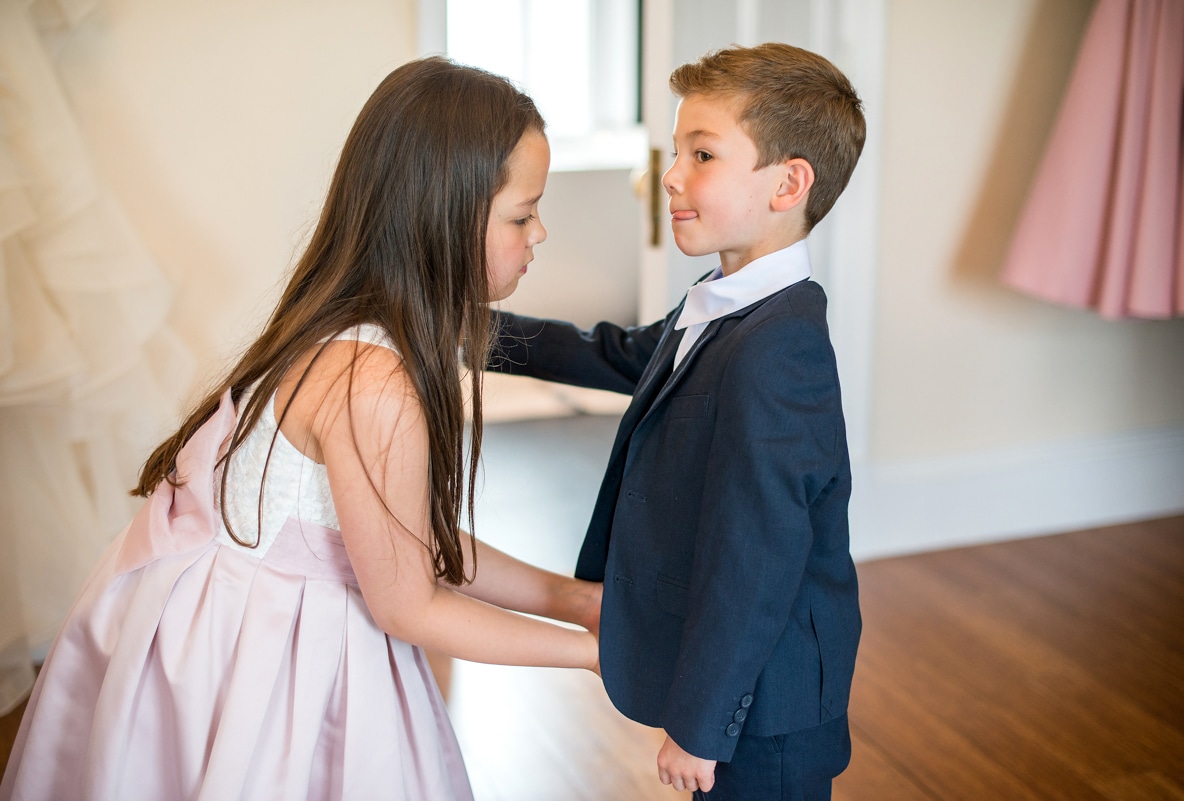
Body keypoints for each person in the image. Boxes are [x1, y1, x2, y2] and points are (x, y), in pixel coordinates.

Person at [0, 57, 600, 801]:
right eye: (523, 213)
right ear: (443, 210)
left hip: (228, 632)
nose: (539, 232)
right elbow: (406, 600)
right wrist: (589, 654)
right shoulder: (371, 381)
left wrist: (575, 600)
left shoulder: (347, 329)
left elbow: (407, 540)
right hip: (275, 662)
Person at [489, 43, 866, 800]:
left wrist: (700, 724)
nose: (670, 175)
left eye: (703, 155)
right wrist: (476, 334)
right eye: (676, 151)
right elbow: (619, 354)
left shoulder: (777, 351)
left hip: (767, 713)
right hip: (746, 694)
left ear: (789, 183)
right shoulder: (728, 300)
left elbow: (755, 563)